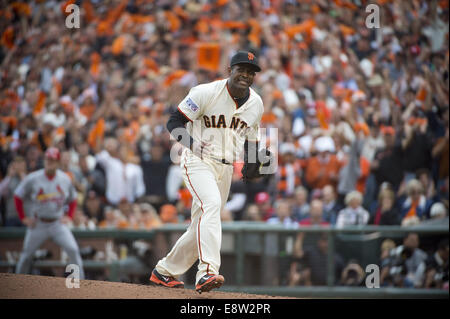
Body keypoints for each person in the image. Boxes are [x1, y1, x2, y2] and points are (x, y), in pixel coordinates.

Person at [149, 51, 265, 293]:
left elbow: (252, 137)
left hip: (225, 169)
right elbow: (174, 122)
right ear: (230, 70)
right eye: (241, 69)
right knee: (211, 206)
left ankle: (164, 271)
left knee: (200, 224)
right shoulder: (206, 92)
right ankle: (207, 272)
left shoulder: (256, 103)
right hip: (198, 160)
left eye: (251, 71)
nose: (246, 74)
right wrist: (191, 143)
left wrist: (254, 160)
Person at [13, 147, 85, 279]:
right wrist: (23, 218)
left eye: (52, 160)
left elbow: (73, 199)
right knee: (26, 256)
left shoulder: (64, 179)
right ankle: (17, 285)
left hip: (57, 224)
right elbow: (18, 196)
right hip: (38, 223)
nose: (49, 162)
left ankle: (80, 285)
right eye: (47, 159)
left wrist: (69, 216)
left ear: (58, 162)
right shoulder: (33, 178)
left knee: (73, 250)